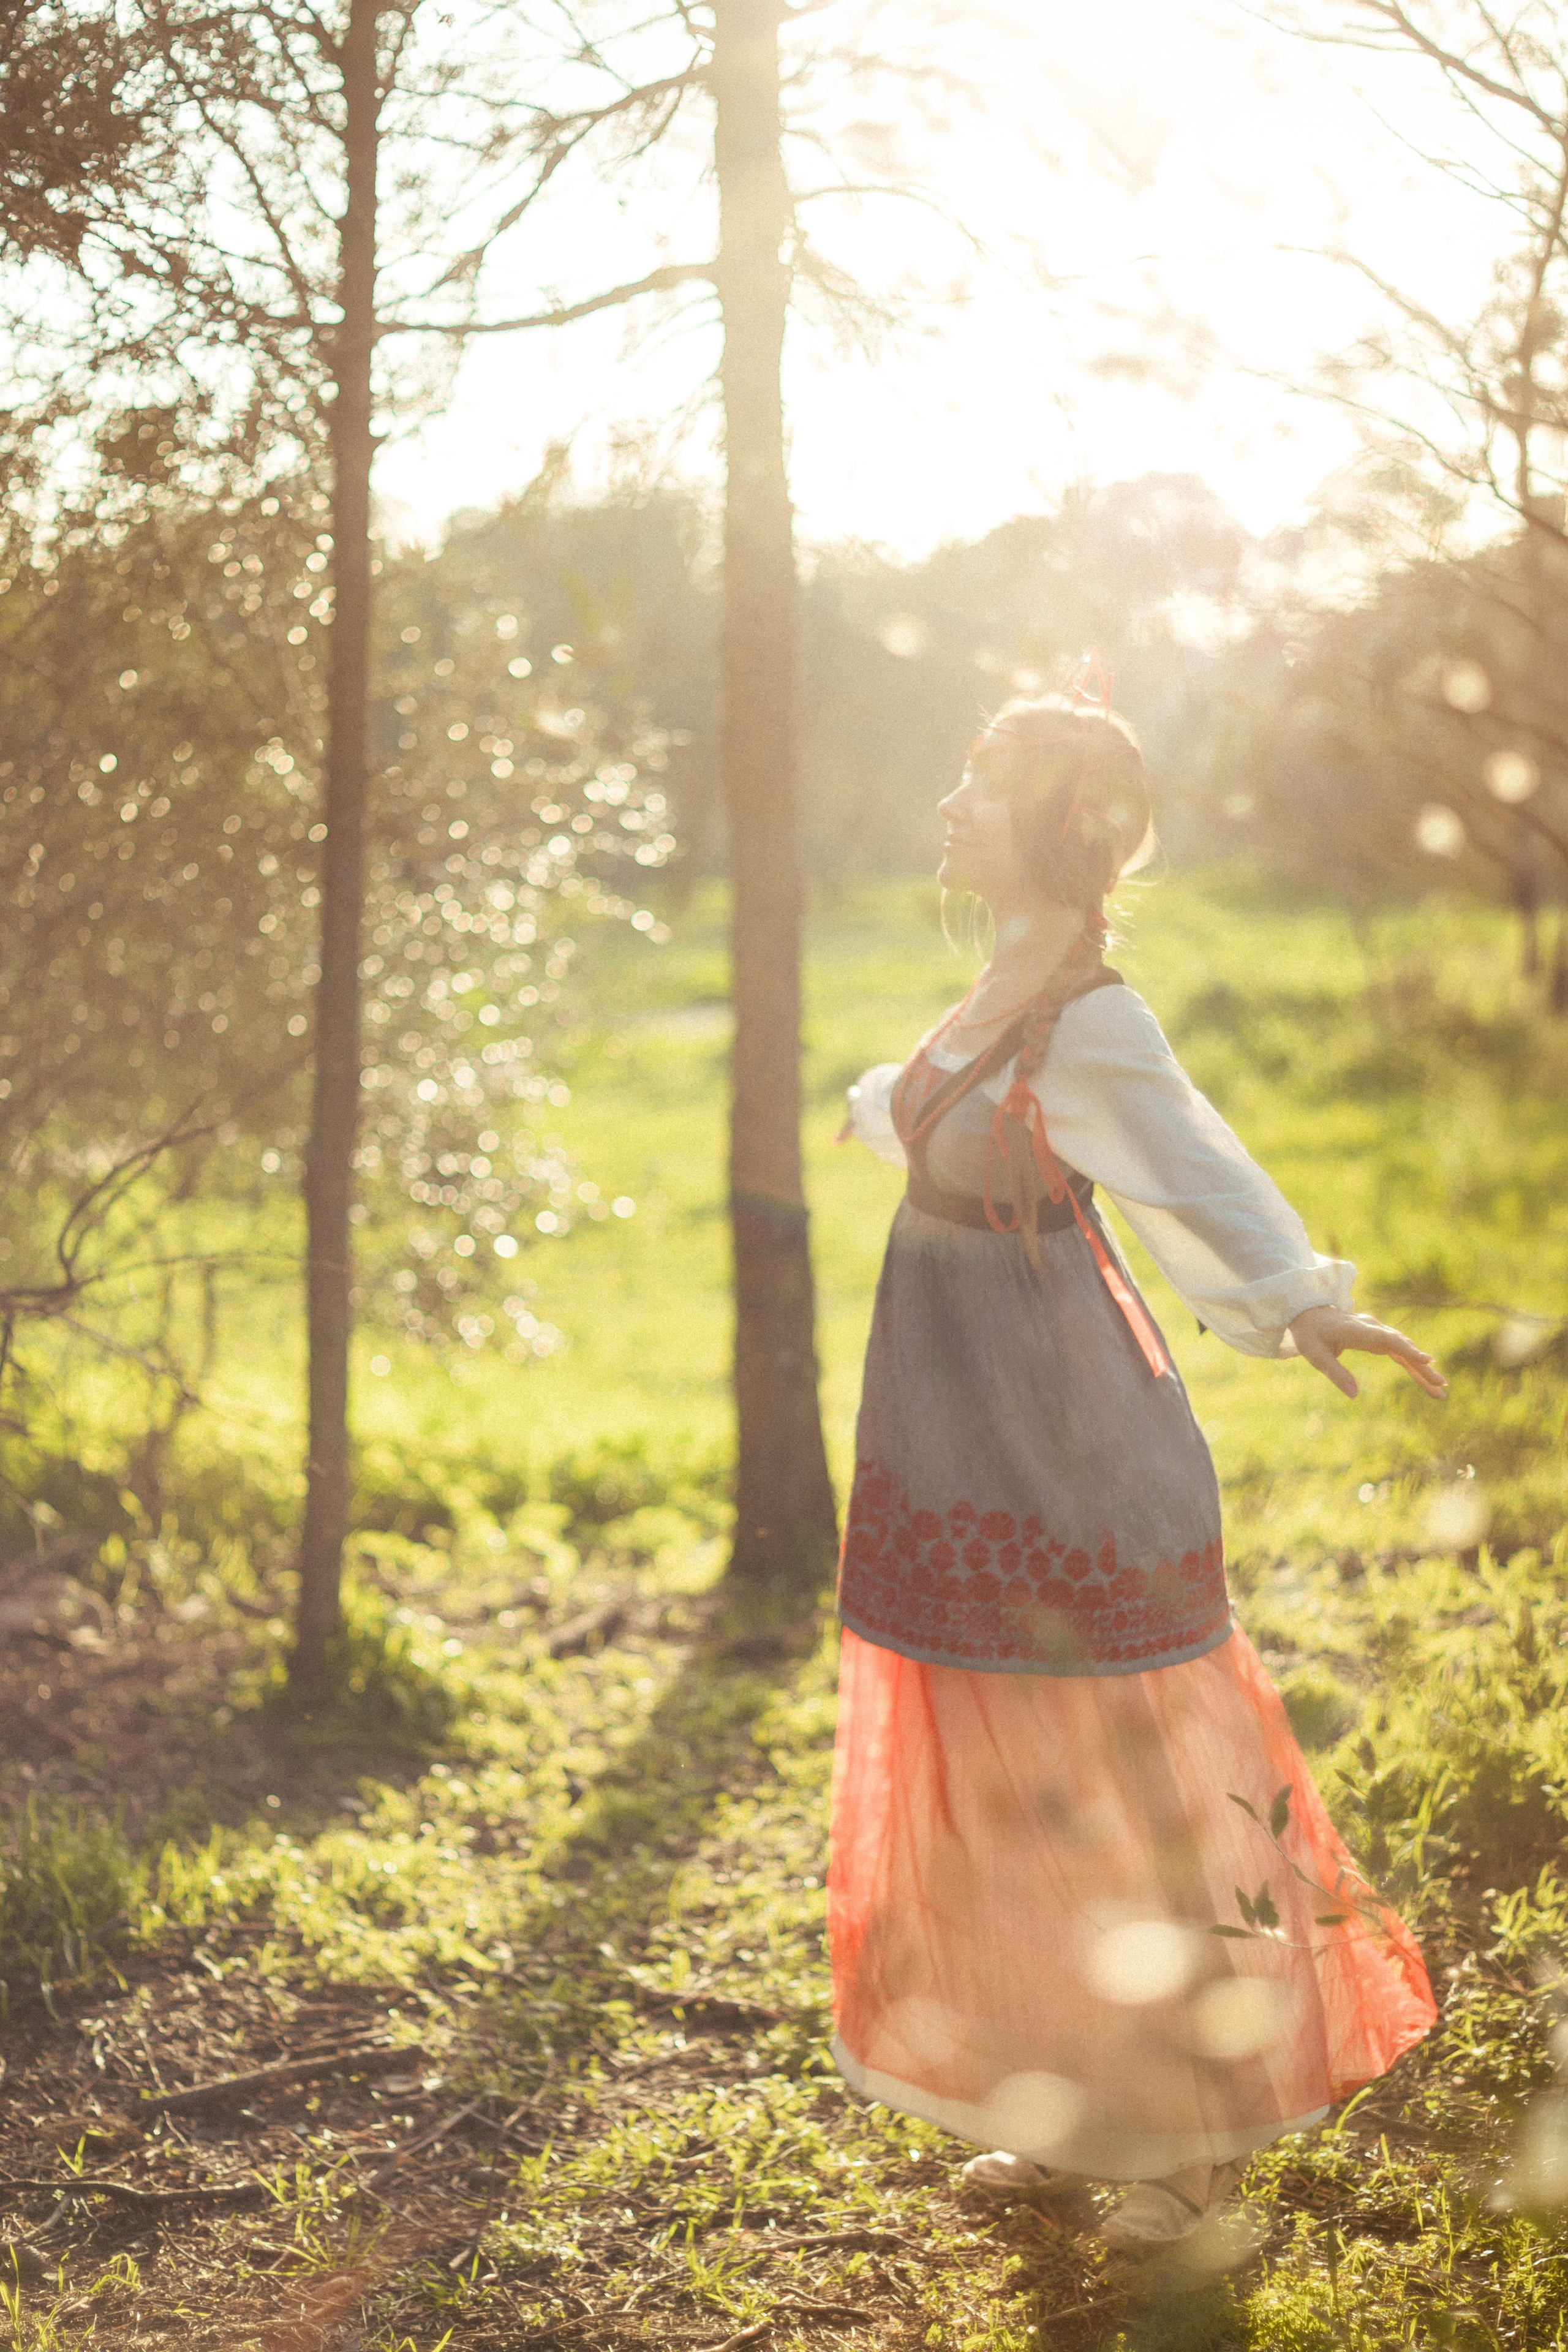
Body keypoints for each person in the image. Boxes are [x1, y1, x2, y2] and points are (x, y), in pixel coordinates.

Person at [828, 689, 1441, 2252]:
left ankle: (1186, 2150)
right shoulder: (995, 983)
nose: (953, 800)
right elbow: (940, 1118)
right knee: (1015, 1775)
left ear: (1050, 825)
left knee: (1100, 1777)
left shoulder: (1091, 1015)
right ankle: (1062, 2102)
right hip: (954, 1417)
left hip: (1057, 1432)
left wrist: (1306, 1305)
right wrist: (867, 1117)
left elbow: (1193, 1170)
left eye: (984, 780)